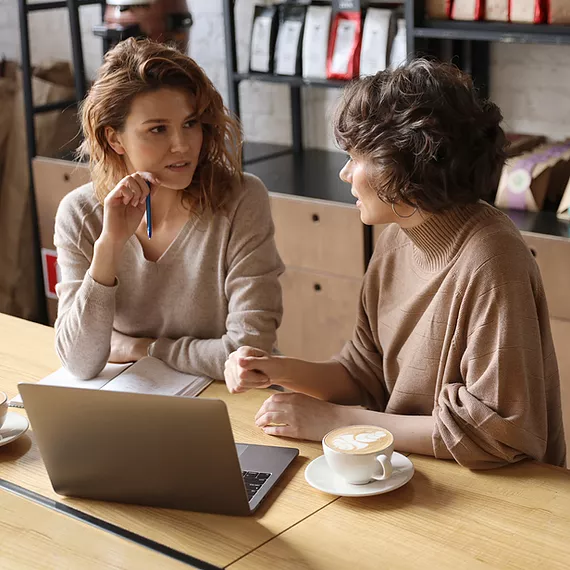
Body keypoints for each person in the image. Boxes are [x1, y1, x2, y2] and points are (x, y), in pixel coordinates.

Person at [224, 59, 566, 469]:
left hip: (487, 490)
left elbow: (494, 434)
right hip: (410, 467)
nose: (345, 173)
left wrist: (335, 423)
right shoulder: (396, 240)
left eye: (358, 156)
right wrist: (276, 370)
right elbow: (365, 374)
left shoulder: (492, 260)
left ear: (408, 162)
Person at [54, 38, 284, 380]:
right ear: (115, 139)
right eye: (158, 129)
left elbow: (248, 354)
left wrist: (143, 349)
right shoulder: (79, 213)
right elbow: (79, 362)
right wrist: (109, 247)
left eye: (190, 124)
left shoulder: (240, 199)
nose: (182, 145)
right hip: (135, 405)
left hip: (231, 404)